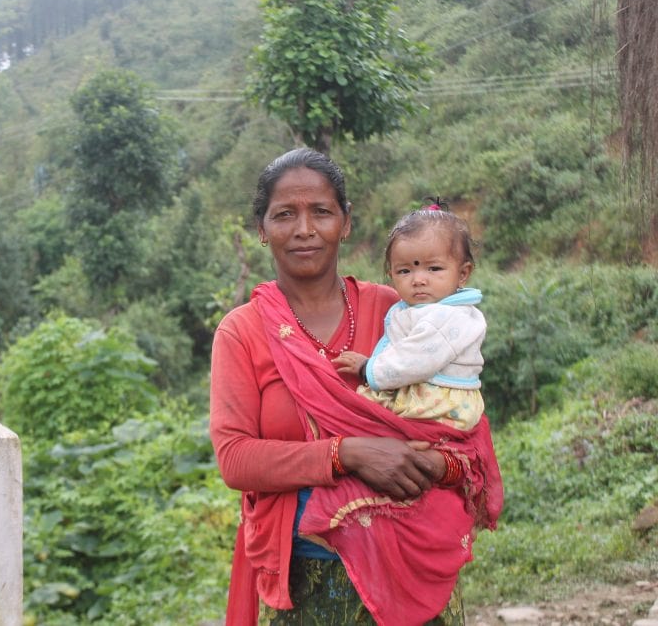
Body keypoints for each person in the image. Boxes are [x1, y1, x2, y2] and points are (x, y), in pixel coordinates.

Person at [209, 148, 503, 626]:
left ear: (345, 222)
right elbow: (236, 458)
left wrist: (432, 463)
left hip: (413, 565)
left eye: (321, 211)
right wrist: (347, 454)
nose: (304, 228)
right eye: (285, 214)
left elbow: (461, 427)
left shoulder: (399, 311)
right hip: (307, 580)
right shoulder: (243, 332)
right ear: (262, 230)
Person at [332, 203, 486, 432]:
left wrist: (368, 368)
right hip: (424, 393)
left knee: (360, 418)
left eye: (433, 269)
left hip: (438, 401)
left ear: (463, 273)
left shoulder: (448, 317)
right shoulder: (416, 309)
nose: (418, 280)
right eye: (405, 271)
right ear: (390, 274)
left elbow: (415, 359)